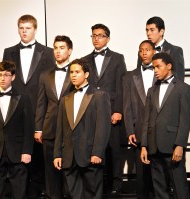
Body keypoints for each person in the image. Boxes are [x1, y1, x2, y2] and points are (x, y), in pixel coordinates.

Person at [2, 14, 55, 197]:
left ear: (35, 29)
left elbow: (49, 83)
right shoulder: (8, 51)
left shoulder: (47, 52)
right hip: (15, 111)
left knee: (39, 157)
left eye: (28, 28)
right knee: (18, 158)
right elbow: (6, 81)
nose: (24, 31)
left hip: (39, 111)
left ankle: (38, 192)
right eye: (21, 28)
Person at [53, 58, 111, 199]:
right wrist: (57, 154)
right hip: (69, 156)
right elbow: (60, 129)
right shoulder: (65, 99)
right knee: (73, 194)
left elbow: (102, 127)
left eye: (77, 72)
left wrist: (97, 152)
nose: (73, 75)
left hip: (90, 155)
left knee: (92, 194)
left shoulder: (99, 96)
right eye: (71, 72)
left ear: (86, 74)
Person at [82, 23, 127, 194]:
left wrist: (118, 110)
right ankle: (99, 185)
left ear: (108, 38)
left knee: (114, 148)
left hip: (111, 110)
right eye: (94, 35)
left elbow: (121, 86)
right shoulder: (85, 59)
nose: (96, 39)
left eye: (100, 35)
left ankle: (116, 183)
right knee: (96, 148)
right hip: (92, 111)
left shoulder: (117, 58)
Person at [141, 52, 190, 199]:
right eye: (153, 67)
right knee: (159, 189)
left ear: (169, 66)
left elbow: (184, 120)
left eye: (158, 67)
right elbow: (147, 119)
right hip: (153, 146)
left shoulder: (183, 88)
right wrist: (144, 145)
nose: (155, 70)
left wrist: (180, 145)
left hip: (172, 145)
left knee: (179, 187)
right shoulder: (152, 90)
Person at [0, 61, 34, 199]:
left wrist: (27, 151)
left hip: (18, 152)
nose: (2, 78)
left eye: (6, 75)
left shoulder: (23, 98)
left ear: (13, 77)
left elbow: (28, 128)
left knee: (19, 192)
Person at [35, 35, 74, 199]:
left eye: (62, 48)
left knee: (70, 171)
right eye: (55, 48)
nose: (58, 51)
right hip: (49, 128)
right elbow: (41, 102)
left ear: (70, 51)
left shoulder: (76, 71)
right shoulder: (45, 74)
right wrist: (38, 128)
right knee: (50, 172)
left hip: (71, 127)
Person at [123, 40, 155, 199]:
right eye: (141, 50)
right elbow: (127, 106)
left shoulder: (160, 72)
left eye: (147, 50)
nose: (144, 53)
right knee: (141, 176)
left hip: (158, 132)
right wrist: (129, 130)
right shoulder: (130, 76)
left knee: (159, 176)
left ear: (154, 52)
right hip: (138, 130)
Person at [137, 16, 185, 81]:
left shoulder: (175, 51)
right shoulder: (142, 52)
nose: (148, 33)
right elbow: (138, 77)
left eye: (152, 30)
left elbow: (179, 79)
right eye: (147, 30)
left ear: (161, 31)